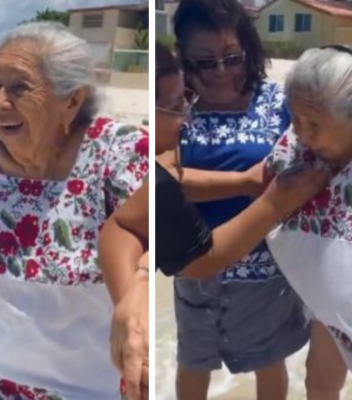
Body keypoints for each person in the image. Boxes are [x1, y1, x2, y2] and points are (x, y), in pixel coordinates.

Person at [99, 41, 330, 400]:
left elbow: (130, 221)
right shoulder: (151, 172)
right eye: (176, 106)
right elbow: (196, 257)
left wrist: (138, 282)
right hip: (205, 269)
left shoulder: (160, 171)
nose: (187, 119)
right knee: (192, 363)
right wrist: (274, 202)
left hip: (264, 277)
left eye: (185, 103)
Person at [0, 22, 148, 399]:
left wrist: (139, 285)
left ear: (72, 100)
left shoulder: (119, 157)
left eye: (19, 88)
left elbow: (170, 229)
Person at [157, 1, 311, 399]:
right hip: (196, 265)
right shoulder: (177, 108)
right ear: (184, 59)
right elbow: (165, 183)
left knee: (268, 361)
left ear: (249, 50)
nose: (221, 71)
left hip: (267, 270)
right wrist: (244, 182)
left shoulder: (280, 104)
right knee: (193, 360)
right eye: (205, 62)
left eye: (232, 57)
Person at [266, 45, 352, 400]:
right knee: (318, 381)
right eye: (295, 119)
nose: (302, 134)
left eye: (314, 124)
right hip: (329, 313)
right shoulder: (301, 147)